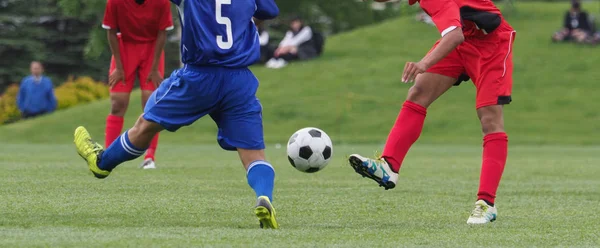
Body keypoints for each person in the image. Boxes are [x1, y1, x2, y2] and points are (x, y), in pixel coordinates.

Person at [74, 0, 280, 229]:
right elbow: (268, 11)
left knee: (146, 125)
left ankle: (102, 163)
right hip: (239, 81)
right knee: (254, 155)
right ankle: (264, 197)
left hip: (199, 77)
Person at [349, 0, 516, 225]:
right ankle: (388, 166)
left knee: (489, 119)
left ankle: (486, 203)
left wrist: (423, 63)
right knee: (419, 92)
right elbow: (458, 35)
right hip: (464, 39)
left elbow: (454, 35)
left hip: (492, 44)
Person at [101, 0, 174, 169]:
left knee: (151, 104)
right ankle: (108, 156)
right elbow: (111, 32)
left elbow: (162, 33)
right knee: (117, 103)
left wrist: (155, 68)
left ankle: (149, 157)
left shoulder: (161, 2)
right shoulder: (115, 2)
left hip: (152, 50)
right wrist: (118, 67)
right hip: (124, 48)